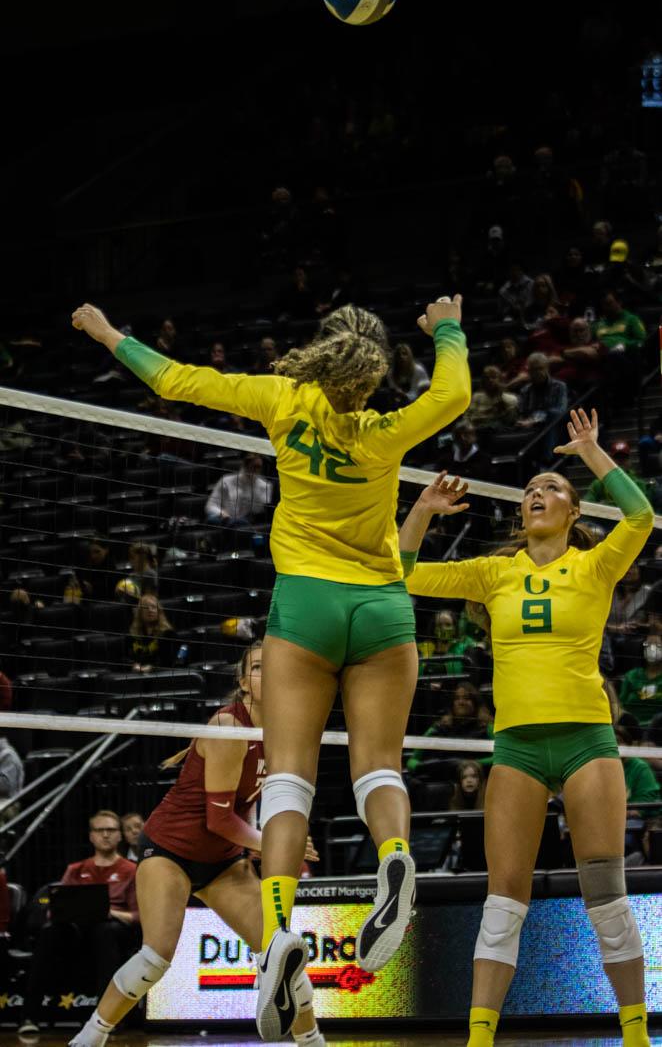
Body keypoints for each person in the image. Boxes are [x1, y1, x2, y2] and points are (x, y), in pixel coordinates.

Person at [71, 294, 471, 1041]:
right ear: (374, 375)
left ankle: (281, 929)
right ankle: (394, 856)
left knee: (289, 776)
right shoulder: (387, 430)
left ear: (321, 353)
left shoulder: (282, 400)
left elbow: (174, 380)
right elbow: (455, 392)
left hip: (306, 604)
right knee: (380, 765)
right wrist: (445, 325)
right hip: (382, 605)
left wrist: (106, 332)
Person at [399, 409, 655, 1047]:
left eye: (551, 489)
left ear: (572, 511)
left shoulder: (596, 567)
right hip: (515, 748)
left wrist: (592, 453)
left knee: (606, 896)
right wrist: (424, 511)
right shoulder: (494, 572)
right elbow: (401, 575)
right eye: (530, 491)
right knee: (502, 901)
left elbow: (642, 516)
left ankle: (633, 1034)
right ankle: (480, 1038)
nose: (537, 494)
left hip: (586, 741)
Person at [69, 643, 324, 1047]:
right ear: (244, 683)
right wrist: (272, 844)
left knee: (282, 952)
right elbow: (219, 818)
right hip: (170, 850)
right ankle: (89, 1038)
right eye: (258, 667)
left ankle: (313, 1042)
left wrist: (268, 841)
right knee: (156, 958)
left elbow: (254, 803)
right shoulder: (226, 726)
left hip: (223, 861)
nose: (268, 673)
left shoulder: (288, 731)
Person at [18, 810, 140, 1036]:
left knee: (105, 931)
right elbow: (55, 909)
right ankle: (30, 1016)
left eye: (111, 830)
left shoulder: (131, 871)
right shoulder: (76, 869)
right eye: (99, 830)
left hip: (113, 931)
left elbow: (137, 916)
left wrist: (108, 912)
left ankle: (105, 1019)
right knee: (50, 933)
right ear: (91, 836)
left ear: (119, 836)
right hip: (77, 929)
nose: (105, 835)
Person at [406, 682, 492, 776]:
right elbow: (412, 761)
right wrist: (422, 767)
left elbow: (500, 758)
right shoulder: (439, 728)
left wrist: (472, 765)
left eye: (466, 698)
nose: (461, 702)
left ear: (476, 703)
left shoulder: (487, 728)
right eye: (457, 699)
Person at [205, 453, 273, 526]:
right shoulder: (226, 480)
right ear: (244, 466)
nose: (255, 470)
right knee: (212, 519)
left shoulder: (265, 486)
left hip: (246, 523)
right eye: (253, 467)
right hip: (224, 520)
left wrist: (253, 485)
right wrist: (222, 514)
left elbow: (257, 510)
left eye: (258, 467)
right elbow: (210, 506)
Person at [618, 635, 662, 726]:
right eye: (648, 645)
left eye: (657, 645)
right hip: (632, 728)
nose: (652, 649)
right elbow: (620, 706)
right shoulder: (631, 675)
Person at [128, 593, 177, 672]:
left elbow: (170, 661)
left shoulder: (168, 634)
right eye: (146, 607)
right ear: (140, 612)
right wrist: (133, 665)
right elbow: (124, 657)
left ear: (158, 611)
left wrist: (152, 668)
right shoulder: (132, 634)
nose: (150, 610)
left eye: (153, 607)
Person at [466, 367, 519, 432]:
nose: (490, 380)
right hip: (475, 431)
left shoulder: (510, 399)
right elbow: (468, 417)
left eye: (493, 377)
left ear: (500, 379)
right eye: (487, 378)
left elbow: (510, 422)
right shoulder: (477, 397)